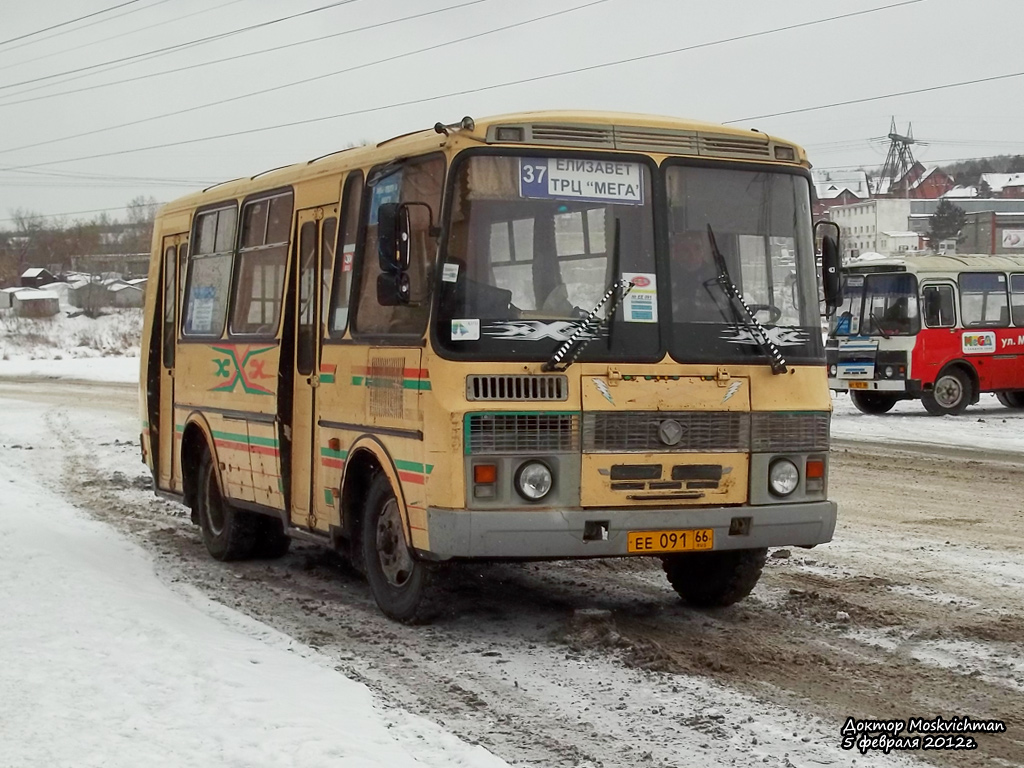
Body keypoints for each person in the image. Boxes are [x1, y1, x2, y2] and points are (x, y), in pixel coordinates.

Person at [670, 230, 726, 322]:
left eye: (697, 248)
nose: (692, 254)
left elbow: (724, 305)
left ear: (703, 251)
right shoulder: (667, 276)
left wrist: (696, 305)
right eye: (685, 250)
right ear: (676, 253)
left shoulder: (716, 277)